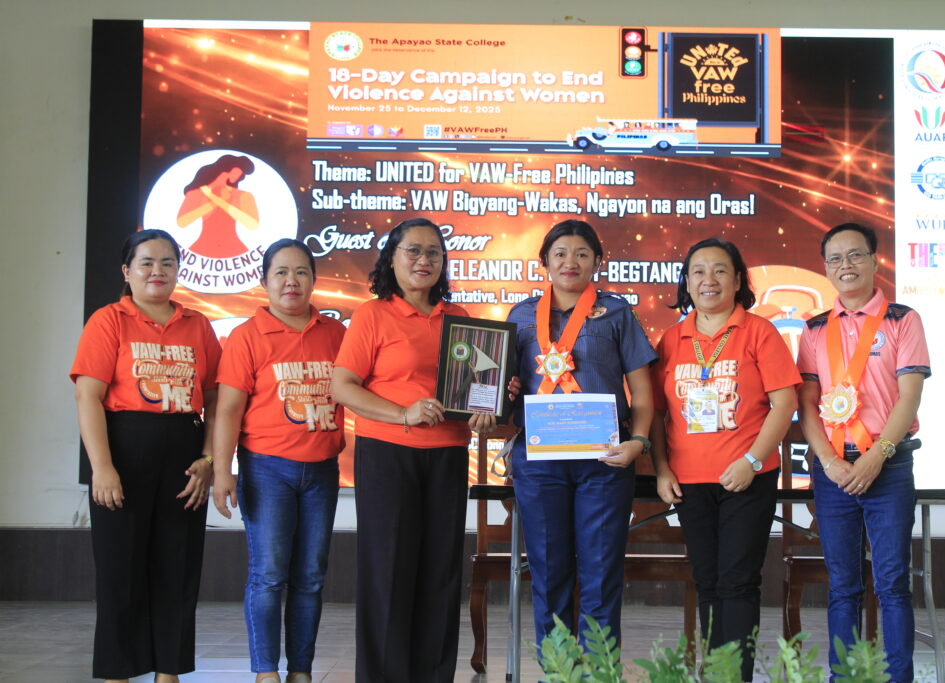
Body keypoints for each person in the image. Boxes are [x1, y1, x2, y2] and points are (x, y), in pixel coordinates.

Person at [331, 217, 495, 683]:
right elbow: (342, 386)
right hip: (388, 454)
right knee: (388, 571)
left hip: (447, 453)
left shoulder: (460, 317)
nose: (424, 260)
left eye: (434, 253)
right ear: (392, 258)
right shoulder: (372, 314)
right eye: (414, 251)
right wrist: (402, 413)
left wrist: (490, 403)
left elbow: (479, 385)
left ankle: (434, 676)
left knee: (441, 573)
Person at [70, 229, 221, 683]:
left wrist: (209, 459)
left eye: (167, 263)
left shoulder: (198, 324)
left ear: (178, 270)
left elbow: (216, 398)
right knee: (120, 571)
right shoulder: (108, 320)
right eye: (147, 262)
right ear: (127, 271)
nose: (158, 271)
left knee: (178, 567)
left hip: (184, 452)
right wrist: (102, 467)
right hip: (124, 450)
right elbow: (88, 396)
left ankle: (169, 673)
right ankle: (118, 673)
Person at [649, 237, 799, 682]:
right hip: (689, 480)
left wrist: (751, 461)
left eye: (719, 270)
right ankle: (716, 674)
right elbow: (655, 412)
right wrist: (661, 469)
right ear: (686, 282)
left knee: (738, 582)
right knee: (708, 580)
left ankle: (735, 677)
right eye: (698, 271)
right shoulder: (672, 338)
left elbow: (785, 403)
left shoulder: (760, 332)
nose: (708, 279)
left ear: (737, 280)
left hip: (747, 477)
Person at [506, 219, 656, 653]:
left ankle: (599, 672)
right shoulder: (521, 315)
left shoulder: (616, 312)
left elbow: (642, 389)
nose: (570, 262)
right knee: (549, 571)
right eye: (560, 254)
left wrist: (639, 441)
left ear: (597, 261)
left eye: (581, 254)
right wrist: (500, 393)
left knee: (601, 571)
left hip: (605, 460)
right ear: (544, 262)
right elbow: (505, 383)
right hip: (539, 461)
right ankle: (557, 672)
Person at [797, 223, 930, 683]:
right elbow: (807, 405)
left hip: (888, 467)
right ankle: (845, 678)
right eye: (835, 259)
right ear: (826, 268)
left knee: (892, 583)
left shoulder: (902, 319)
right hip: (833, 470)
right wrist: (829, 461)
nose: (846, 266)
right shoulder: (814, 328)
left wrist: (877, 456)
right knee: (843, 586)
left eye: (855, 255)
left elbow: (909, 397)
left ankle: (898, 678)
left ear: (875, 261)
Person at [211, 239, 346, 683]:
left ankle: (300, 670)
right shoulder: (247, 336)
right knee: (268, 574)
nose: (292, 281)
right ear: (264, 280)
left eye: (301, 272)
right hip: (266, 469)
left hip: (322, 470)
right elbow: (228, 409)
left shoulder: (335, 333)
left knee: (311, 575)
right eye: (281, 273)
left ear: (314, 280)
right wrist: (222, 471)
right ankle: (266, 670)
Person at [176, 153, 259, 258]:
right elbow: (182, 222)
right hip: (202, 248)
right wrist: (212, 201)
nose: (238, 175)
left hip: (235, 249)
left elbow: (252, 224)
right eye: (236, 171)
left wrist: (218, 200)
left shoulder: (243, 196)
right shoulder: (197, 194)